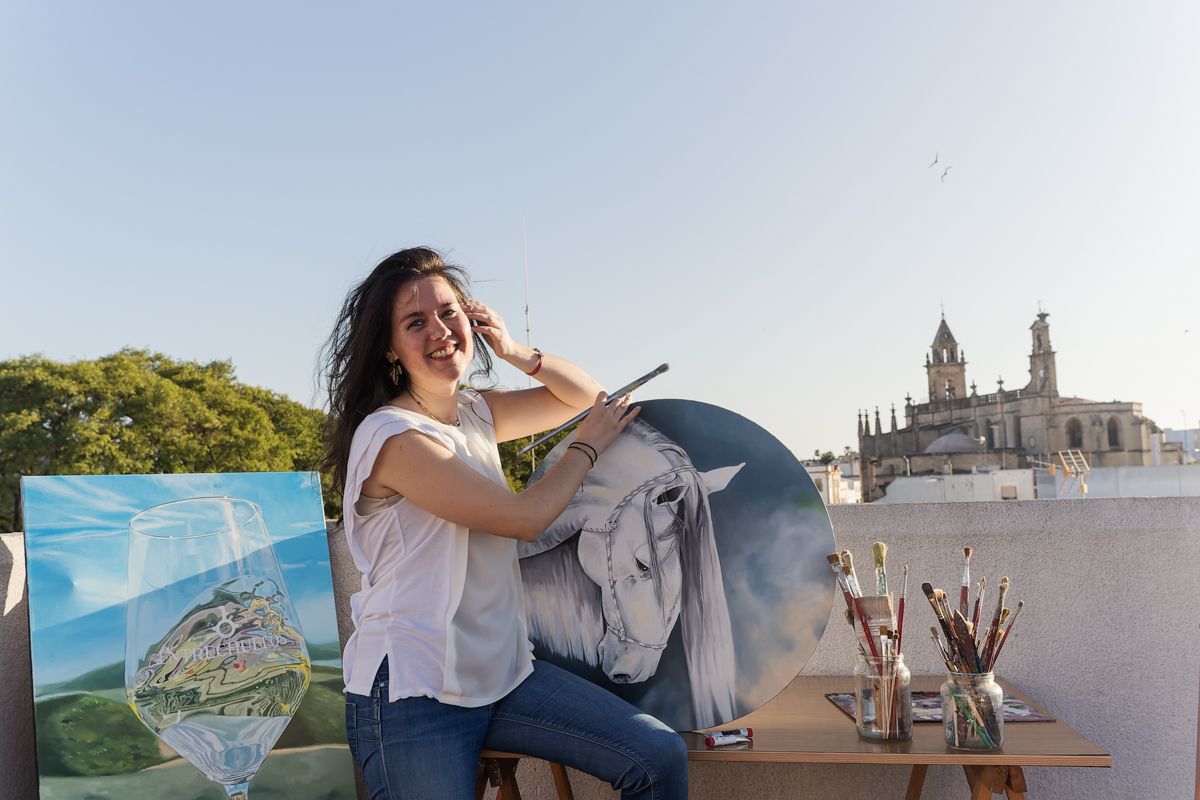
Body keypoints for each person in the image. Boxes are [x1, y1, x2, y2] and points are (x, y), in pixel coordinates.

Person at [321, 247, 688, 799]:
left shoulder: (473, 412)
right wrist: (585, 448)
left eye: (449, 312)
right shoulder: (393, 436)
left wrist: (516, 351)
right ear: (390, 349)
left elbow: (590, 398)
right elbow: (525, 517)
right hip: (414, 690)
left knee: (657, 756)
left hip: (504, 673)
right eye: (415, 323)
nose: (441, 330)